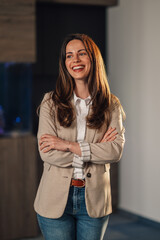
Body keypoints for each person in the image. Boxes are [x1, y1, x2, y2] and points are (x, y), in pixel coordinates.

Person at [34, 33, 125, 240]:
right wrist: (95, 150)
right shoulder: (50, 102)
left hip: (95, 200)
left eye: (81, 54)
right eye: (69, 55)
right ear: (64, 62)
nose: (75, 60)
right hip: (55, 198)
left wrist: (66, 145)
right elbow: (47, 153)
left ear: (93, 59)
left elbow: (115, 151)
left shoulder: (112, 105)